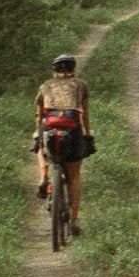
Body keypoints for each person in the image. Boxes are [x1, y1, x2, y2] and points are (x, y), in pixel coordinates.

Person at [34, 52, 94, 234]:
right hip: (72, 125)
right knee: (74, 175)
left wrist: (38, 131)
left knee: (39, 145)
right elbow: (84, 113)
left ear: (55, 70)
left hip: (50, 123)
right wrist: (87, 134)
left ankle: (44, 175)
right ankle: (74, 221)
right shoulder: (80, 85)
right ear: (73, 68)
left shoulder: (45, 85)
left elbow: (39, 115)